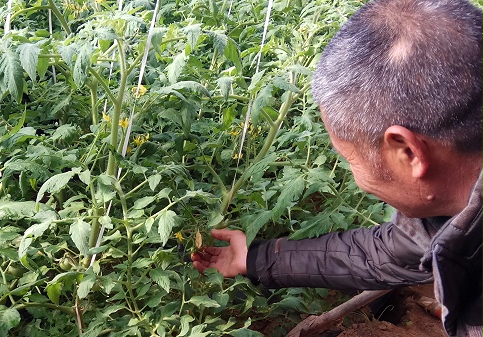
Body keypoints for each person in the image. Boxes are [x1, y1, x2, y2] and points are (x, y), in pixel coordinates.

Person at [191, 0, 483, 336]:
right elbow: (385, 252)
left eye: (350, 158)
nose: (354, 177)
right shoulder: (450, 212)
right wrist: (254, 260)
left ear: (408, 152)